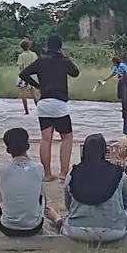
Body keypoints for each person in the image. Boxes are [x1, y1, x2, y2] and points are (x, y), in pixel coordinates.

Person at [19, 34, 80, 182]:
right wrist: (65, 57)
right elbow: (75, 72)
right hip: (59, 103)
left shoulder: (41, 60)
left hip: (43, 103)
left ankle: (47, 174)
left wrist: (37, 85)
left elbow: (23, 73)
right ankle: (64, 173)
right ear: (60, 46)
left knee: (46, 139)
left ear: (47, 45)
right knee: (67, 138)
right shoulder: (63, 61)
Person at [0, 127, 62, 236]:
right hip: (34, 227)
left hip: (8, 228)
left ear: (8, 150)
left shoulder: (1, 168)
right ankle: (54, 218)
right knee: (39, 190)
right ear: (27, 146)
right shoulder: (38, 167)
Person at [62, 133, 127, 243]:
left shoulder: (73, 174)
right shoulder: (118, 173)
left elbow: (68, 205)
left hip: (77, 231)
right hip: (114, 232)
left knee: (67, 216)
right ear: (104, 151)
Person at [17, 38, 38, 115]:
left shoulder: (21, 56)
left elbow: (20, 66)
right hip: (32, 76)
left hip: (24, 76)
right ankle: (39, 109)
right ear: (29, 46)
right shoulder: (34, 55)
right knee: (34, 94)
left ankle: (26, 111)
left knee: (24, 94)